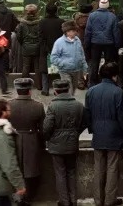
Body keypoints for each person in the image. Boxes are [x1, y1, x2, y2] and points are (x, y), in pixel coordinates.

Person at [85, 62, 123, 206]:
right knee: (112, 168)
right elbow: (122, 117)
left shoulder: (91, 91)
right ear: (115, 76)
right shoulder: (118, 92)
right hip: (114, 135)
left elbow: (88, 115)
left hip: (98, 134)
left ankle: (98, 200)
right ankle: (110, 200)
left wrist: (93, 129)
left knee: (98, 168)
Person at [42, 78, 87, 206]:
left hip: (56, 145)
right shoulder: (78, 105)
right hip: (72, 143)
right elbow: (85, 122)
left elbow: (46, 128)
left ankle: (64, 201)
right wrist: (75, 133)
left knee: (60, 173)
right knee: (71, 172)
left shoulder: (53, 106)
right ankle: (73, 200)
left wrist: (49, 138)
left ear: (55, 91)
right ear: (68, 89)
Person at [8, 78, 45, 206]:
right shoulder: (38, 106)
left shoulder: (9, 105)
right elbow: (42, 129)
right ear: (30, 90)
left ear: (17, 90)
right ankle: (27, 198)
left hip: (14, 140)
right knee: (31, 172)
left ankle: (17, 196)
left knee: (16, 169)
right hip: (32, 141)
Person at [85, 0, 120, 87]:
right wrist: (117, 45)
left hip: (95, 42)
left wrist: (87, 44)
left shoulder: (92, 16)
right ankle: (108, 81)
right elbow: (115, 32)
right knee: (108, 63)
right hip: (109, 43)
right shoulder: (112, 16)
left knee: (94, 63)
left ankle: (92, 82)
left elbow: (88, 31)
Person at [50, 21, 87, 96]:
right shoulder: (59, 42)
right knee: (69, 90)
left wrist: (84, 66)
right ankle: (68, 103)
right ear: (67, 32)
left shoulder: (77, 40)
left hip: (76, 70)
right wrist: (64, 63)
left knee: (73, 90)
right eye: (73, 31)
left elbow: (81, 54)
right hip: (65, 71)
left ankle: (68, 101)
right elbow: (53, 58)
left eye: (75, 31)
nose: (75, 32)